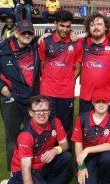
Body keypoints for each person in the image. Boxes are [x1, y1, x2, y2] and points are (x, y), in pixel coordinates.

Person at [0, 95, 71, 184]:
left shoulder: (55, 121)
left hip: (42, 164)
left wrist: (55, 150)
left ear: (49, 111)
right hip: (24, 169)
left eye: (44, 110)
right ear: (31, 113)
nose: (41, 114)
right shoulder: (26, 134)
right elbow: (26, 168)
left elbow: (65, 144)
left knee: (66, 156)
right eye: (37, 110)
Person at [0, 20, 40, 172]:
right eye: (23, 32)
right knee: (13, 137)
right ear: (16, 33)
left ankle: (34, 169)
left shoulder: (36, 45)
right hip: (11, 98)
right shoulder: (2, 49)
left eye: (30, 32)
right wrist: (0, 86)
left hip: (32, 99)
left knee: (34, 135)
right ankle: (14, 171)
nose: (27, 35)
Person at [38, 10, 82, 143]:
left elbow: (78, 67)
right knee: (48, 125)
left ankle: (64, 158)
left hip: (66, 92)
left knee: (65, 126)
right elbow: (42, 64)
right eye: (62, 26)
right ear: (55, 24)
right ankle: (47, 157)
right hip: (48, 91)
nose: (65, 29)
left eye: (68, 26)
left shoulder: (76, 43)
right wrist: (48, 79)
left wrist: (68, 81)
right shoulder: (45, 41)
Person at [71, 89, 110, 184]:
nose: (101, 104)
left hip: (105, 155)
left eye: (104, 101)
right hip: (88, 159)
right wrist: (81, 166)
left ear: (109, 103)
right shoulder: (83, 118)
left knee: (109, 157)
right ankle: (94, 173)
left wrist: (87, 149)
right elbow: (78, 142)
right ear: (92, 102)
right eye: (98, 101)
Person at [78, 13, 110, 114]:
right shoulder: (82, 43)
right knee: (86, 128)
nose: (95, 27)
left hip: (106, 97)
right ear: (88, 28)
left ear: (106, 27)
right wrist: (48, 34)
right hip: (86, 96)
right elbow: (65, 39)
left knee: (108, 129)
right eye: (92, 25)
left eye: (99, 24)